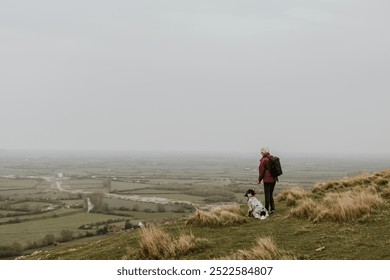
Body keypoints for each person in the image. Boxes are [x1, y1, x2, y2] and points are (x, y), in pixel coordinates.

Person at [257, 147, 277, 214]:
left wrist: (259, 179)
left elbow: (262, 171)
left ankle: (266, 209)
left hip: (267, 180)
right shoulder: (272, 158)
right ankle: (273, 209)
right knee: (271, 194)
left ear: (263, 153)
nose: (261, 154)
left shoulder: (264, 160)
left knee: (267, 195)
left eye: (261, 152)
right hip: (274, 179)